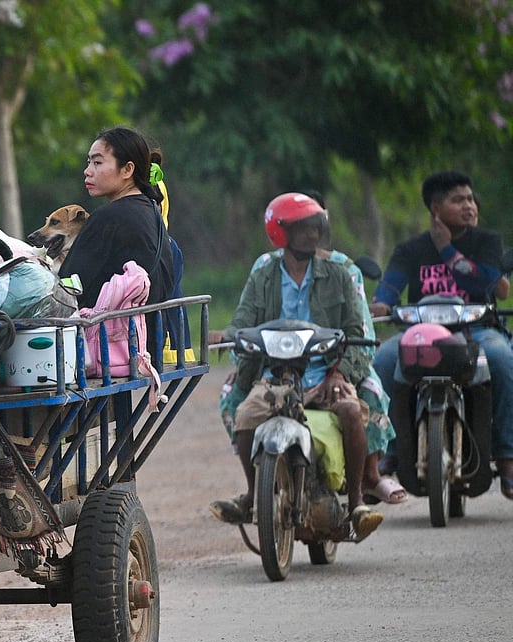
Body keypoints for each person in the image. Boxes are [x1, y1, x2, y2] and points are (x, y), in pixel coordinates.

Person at [209, 192, 384, 539]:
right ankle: (252, 493)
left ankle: (356, 503)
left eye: (315, 228)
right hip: (275, 375)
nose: (312, 235)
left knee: (350, 412)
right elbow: (242, 320)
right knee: (244, 415)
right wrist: (224, 335)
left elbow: (355, 331)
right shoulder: (264, 273)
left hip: (326, 372)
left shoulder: (339, 273)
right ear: (280, 232)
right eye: (303, 229)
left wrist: (339, 372)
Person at [369, 170, 512, 499]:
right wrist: (380, 305)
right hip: (422, 335)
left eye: (470, 199)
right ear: (435, 209)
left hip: (477, 332)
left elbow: (485, 283)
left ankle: (506, 457)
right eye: (458, 200)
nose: (469, 206)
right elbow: (389, 288)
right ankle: (389, 449)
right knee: (383, 360)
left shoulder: (487, 242)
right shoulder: (410, 249)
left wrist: (446, 249)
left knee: (503, 358)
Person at [59, 126, 175, 311]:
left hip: (113, 336)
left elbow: (68, 287)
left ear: (127, 169)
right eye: (88, 162)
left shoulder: (109, 217)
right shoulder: (152, 212)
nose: (87, 171)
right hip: (153, 334)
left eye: (97, 163)